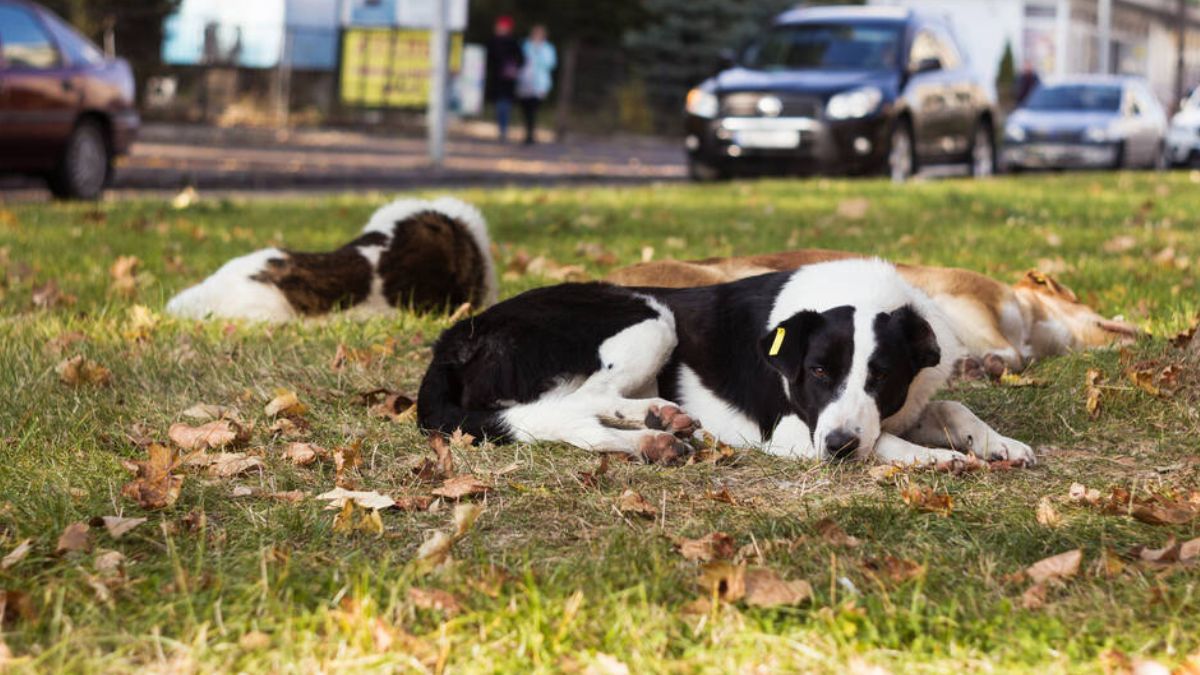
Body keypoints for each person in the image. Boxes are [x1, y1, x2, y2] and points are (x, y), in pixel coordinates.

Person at [485, 16, 524, 142]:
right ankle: (501, 128)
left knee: (504, 105)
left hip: (507, 79)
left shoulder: (513, 42)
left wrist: (512, 67)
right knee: (499, 105)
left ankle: (503, 129)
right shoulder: (492, 41)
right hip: (496, 78)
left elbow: (521, 59)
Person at [517, 25, 557, 145]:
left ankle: (530, 133)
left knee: (533, 108)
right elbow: (519, 60)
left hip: (540, 82)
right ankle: (528, 131)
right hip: (525, 80)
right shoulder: (526, 45)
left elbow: (551, 64)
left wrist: (538, 56)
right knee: (525, 108)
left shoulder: (548, 48)